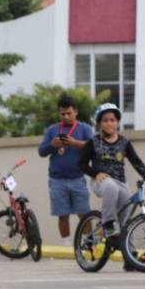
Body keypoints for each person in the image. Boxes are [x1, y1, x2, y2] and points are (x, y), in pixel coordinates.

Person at [79, 102, 145, 238]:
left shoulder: (124, 142)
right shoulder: (93, 141)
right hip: (101, 181)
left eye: (112, 120)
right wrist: (96, 173)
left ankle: (130, 253)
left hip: (121, 183)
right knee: (110, 187)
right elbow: (81, 164)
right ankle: (108, 223)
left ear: (117, 122)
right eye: (105, 120)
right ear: (99, 123)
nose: (109, 124)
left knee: (126, 219)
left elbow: (136, 161)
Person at [37, 94, 93, 245]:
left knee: (84, 213)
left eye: (69, 113)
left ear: (76, 112)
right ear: (59, 113)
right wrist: (52, 145)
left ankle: (87, 241)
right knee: (62, 214)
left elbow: (94, 146)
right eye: (62, 114)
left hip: (77, 178)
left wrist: (75, 142)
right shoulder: (52, 130)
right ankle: (66, 243)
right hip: (57, 180)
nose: (66, 116)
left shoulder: (85, 129)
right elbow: (41, 151)